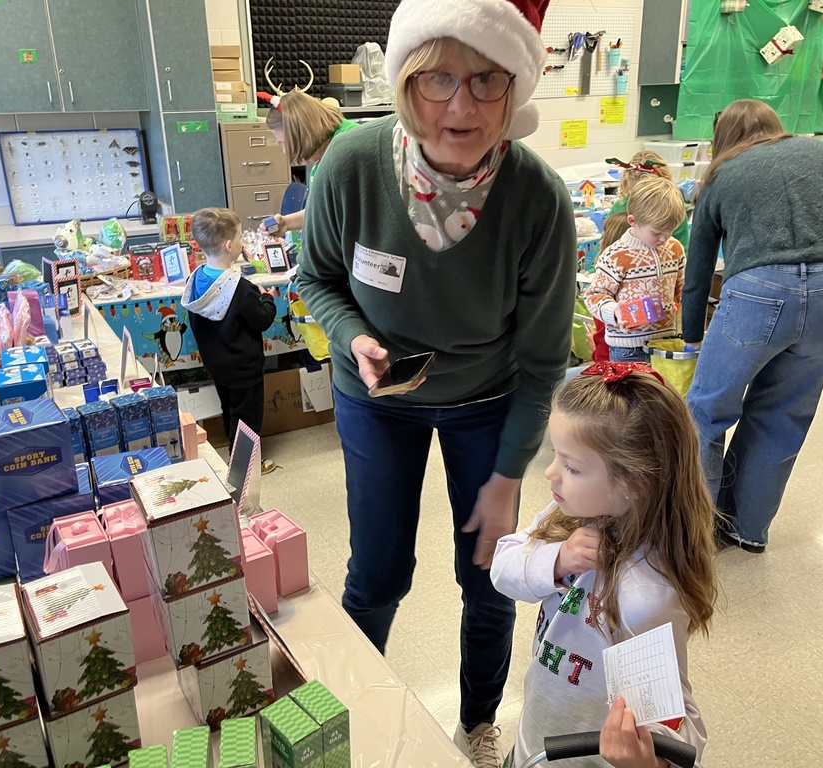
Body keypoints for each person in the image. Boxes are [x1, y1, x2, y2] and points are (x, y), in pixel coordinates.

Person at [296, 0, 576, 763]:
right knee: (377, 571)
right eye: (438, 79)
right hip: (377, 402)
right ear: (404, 82)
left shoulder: (538, 200)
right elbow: (315, 278)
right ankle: (348, 716)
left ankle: (478, 722)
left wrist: (507, 476)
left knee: (488, 577)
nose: (461, 106)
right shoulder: (351, 166)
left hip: (488, 403)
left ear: (515, 86)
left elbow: (544, 362)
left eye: (487, 79)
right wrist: (353, 336)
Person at [491, 363, 717, 768]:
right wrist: (557, 560)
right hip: (535, 740)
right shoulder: (570, 516)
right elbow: (503, 567)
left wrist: (648, 761)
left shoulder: (645, 596)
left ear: (634, 482)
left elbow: (677, 718)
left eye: (572, 466)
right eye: (556, 456)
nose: (550, 473)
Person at [684, 100, 823, 554]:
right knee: (782, 414)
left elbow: (699, 272)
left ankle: (692, 537)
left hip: (758, 292)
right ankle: (748, 530)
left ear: (721, 138)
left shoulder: (719, 175)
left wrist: (691, 338)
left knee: (705, 414)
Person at [181, 208, 278, 470]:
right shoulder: (242, 289)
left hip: (217, 364)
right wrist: (267, 299)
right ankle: (245, 469)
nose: (241, 242)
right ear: (228, 245)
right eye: (239, 237)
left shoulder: (195, 279)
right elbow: (262, 320)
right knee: (247, 418)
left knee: (230, 410)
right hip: (244, 367)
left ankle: (234, 456)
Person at [592, 152, 691, 361]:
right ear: (633, 221)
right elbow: (594, 296)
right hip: (627, 349)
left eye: (670, 231)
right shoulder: (615, 256)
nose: (665, 238)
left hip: (664, 343)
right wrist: (615, 311)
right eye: (657, 232)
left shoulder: (675, 249)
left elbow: (682, 287)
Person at [259, 90, 358, 237]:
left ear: (303, 133)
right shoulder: (326, 146)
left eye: (285, 142)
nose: (285, 151)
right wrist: (286, 223)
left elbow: (346, 217)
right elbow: (321, 210)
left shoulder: (347, 149)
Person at [590, 213, 631, 362]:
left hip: (608, 363)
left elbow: (603, 349)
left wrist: (594, 348)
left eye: (604, 237)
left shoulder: (607, 294)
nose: (600, 242)